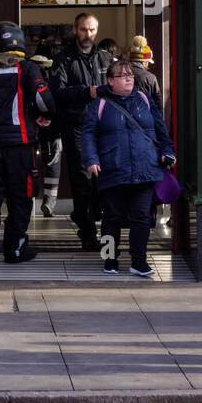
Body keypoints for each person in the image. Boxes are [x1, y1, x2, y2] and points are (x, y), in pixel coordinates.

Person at [0, 21, 54, 270]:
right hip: (20, 145)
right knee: (20, 199)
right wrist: (46, 117)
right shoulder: (27, 69)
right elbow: (44, 100)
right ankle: (15, 249)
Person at [82, 58, 175, 277]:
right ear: (110, 81)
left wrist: (168, 150)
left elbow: (161, 129)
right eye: (122, 76)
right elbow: (88, 134)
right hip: (112, 168)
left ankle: (139, 261)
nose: (128, 79)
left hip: (145, 167)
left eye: (130, 75)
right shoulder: (100, 104)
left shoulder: (144, 99)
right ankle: (109, 259)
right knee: (111, 217)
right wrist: (91, 159)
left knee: (141, 217)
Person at [49, 13, 115, 250]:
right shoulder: (63, 59)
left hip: (105, 126)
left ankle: (91, 220)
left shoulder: (106, 58)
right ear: (75, 30)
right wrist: (88, 92)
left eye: (92, 30)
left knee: (104, 179)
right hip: (76, 126)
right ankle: (88, 234)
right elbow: (56, 93)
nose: (89, 34)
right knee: (83, 181)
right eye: (84, 29)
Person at [28, 52, 62, 217]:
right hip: (52, 127)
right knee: (53, 162)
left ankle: (29, 200)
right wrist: (49, 118)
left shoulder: (26, 74)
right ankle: (49, 202)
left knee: (29, 162)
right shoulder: (55, 74)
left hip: (30, 127)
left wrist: (35, 116)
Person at [128, 36, 162, 109]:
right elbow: (158, 102)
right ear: (144, 62)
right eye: (148, 62)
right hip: (145, 113)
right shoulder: (150, 77)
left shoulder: (120, 72)